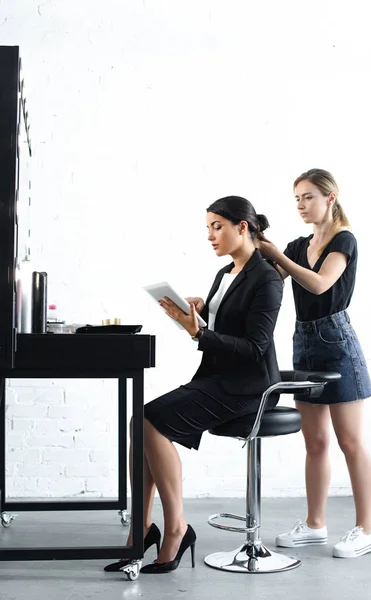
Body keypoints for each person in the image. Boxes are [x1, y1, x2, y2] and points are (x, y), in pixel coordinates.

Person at [104, 195, 283, 574]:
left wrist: (197, 333)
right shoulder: (226, 273)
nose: (210, 236)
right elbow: (230, 323)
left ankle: (176, 529)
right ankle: (142, 526)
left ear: (243, 227)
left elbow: (255, 348)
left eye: (217, 227)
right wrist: (202, 310)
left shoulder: (267, 277)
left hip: (248, 388)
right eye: (208, 228)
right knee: (142, 422)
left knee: (150, 422)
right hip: (219, 378)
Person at [259, 168, 371, 559]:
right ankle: (315, 524)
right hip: (304, 340)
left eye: (308, 197)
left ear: (330, 198)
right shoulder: (297, 245)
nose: (300, 205)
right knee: (316, 443)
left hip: (337, 341)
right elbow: (268, 279)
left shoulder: (344, 239)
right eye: (296, 198)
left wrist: (278, 256)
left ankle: (365, 529)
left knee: (350, 441)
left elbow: (320, 284)